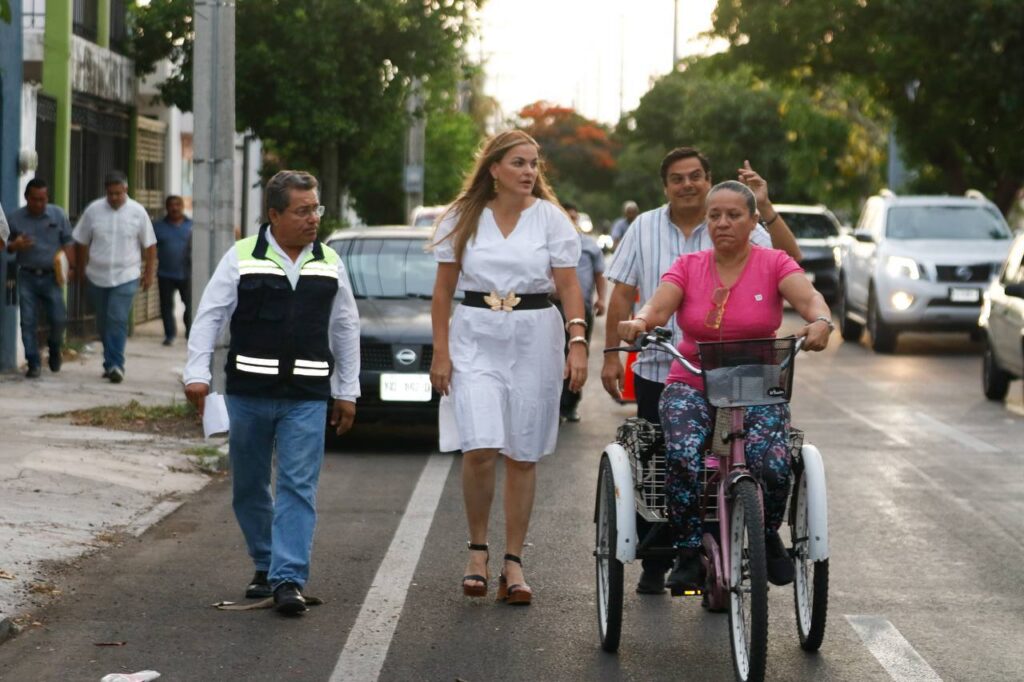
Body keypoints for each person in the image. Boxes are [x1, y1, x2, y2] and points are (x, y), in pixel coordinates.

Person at [602, 147, 802, 594]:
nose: (687, 184)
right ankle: (670, 557)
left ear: (709, 181)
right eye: (677, 178)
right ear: (666, 186)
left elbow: (794, 266)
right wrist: (621, 342)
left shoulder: (755, 238)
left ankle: (756, 535)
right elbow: (632, 296)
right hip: (670, 365)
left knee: (765, 461)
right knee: (670, 461)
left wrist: (765, 207)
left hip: (748, 377)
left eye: (695, 176)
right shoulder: (648, 230)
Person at [183, 170, 360, 616]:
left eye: (316, 209)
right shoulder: (242, 256)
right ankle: (265, 563)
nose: (313, 218)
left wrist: (347, 391)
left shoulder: (329, 262)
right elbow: (210, 316)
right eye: (302, 211)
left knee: (298, 486)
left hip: (306, 396)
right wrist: (196, 374)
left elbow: (345, 328)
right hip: (249, 395)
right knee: (249, 485)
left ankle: (288, 578)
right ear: (275, 215)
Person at [430, 130, 588, 606]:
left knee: (522, 453)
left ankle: (513, 562)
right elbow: (443, 292)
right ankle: (477, 551)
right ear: (494, 168)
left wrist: (577, 343)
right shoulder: (462, 216)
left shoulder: (551, 219)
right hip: (475, 335)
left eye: (534, 164)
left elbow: (569, 287)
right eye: (519, 162)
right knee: (480, 446)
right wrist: (441, 352)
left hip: (534, 337)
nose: (529, 172)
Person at [72, 171, 157, 384]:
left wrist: (149, 273)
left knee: (117, 318)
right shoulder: (93, 210)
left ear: (125, 190)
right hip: (97, 275)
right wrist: (81, 269)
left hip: (126, 275)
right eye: (110, 194)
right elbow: (81, 241)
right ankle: (109, 362)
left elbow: (150, 244)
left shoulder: (138, 212)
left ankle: (116, 365)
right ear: (106, 192)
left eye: (118, 193)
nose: (114, 198)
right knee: (103, 322)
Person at [5, 179, 75, 378]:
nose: (38, 203)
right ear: (27, 198)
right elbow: (4, 245)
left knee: (58, 318)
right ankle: (33, 362)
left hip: (52, 276)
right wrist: (14, 246)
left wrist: (71, 267)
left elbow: (68, 242)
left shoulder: (58, 215)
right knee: (28, 321)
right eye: (34, 199)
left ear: (47, 198)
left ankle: (54, 347)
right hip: (26, 276)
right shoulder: (15, 218)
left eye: (42, 199)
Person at [558, 201, 607, 422]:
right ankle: (554, 404)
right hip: (553, 307)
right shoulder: (549, 242)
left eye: (573, 218)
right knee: (555, 355)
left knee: (577, 353)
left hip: (582, 309)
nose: (571, 221)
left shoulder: (589, 245)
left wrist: (602, 299)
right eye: (566, 217)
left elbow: (599, 275)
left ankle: (570, 405)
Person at [153, 195, 193, 346]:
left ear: (182, 207)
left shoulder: (192, 226)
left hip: (187, 273)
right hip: (165, 273)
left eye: (178, 205)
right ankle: (169, 335)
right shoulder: (158, 227)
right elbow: (150, 248)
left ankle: (190, 333)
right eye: (171, 205)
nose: (174, 208)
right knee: (166, 306)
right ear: (166, 207)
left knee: (190, 304)